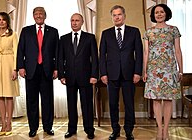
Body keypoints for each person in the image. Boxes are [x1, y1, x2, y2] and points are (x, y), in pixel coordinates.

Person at [99, 5, 143, 140]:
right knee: (113, 104)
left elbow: (139, 54)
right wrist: (103, 73)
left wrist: (137, 72)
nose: (117, 17)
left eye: (119, 14)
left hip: (129, 74)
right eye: (114, 15)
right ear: (112, 17)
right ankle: (115, 129)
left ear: (124, 16)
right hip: (111, 74)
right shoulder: (106, 33)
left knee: (129, 103)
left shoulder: (134, 32)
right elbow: (102, 55)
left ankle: (129, 130)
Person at [17, 7, 59, 137]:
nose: (38, 15)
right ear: (33, 16)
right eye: (36, 14)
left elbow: (57, 52)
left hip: (47, 70)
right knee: (32, 101)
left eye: (41, 13)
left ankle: (48, 127)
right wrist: (21, 67)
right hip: (31, 70)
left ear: (45, 16)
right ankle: (33, 128)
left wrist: (57, 68)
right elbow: (20, 51)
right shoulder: (26, 31)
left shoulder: (53, 31)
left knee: (47, 101)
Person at [143, 4, 183, 140]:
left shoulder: (173, 30)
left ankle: (166, 130)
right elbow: (146, 52)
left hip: (169, 69)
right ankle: (159, 129)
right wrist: (144, 71)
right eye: (156, 13)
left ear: (166, 13)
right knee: (155, 100)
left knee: (167, 99)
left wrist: (180, 70)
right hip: (153, 69)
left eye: (161, 12)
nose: (159, 14)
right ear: (153, 16)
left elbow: (177, 50)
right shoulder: (148, 32)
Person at [58, 13, 98, 139]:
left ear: (82, 22)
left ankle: (89, 129)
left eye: (77, 20)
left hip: (86, 77)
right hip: (69, 77)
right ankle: (71, 129)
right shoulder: (63, 39)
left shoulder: (90, 38)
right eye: (72, 20)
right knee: (71, 104)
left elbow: (95, 59)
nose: (74, 23)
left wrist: (94, 75)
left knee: (87, 104)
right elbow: (60, 58)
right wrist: (61, 75)